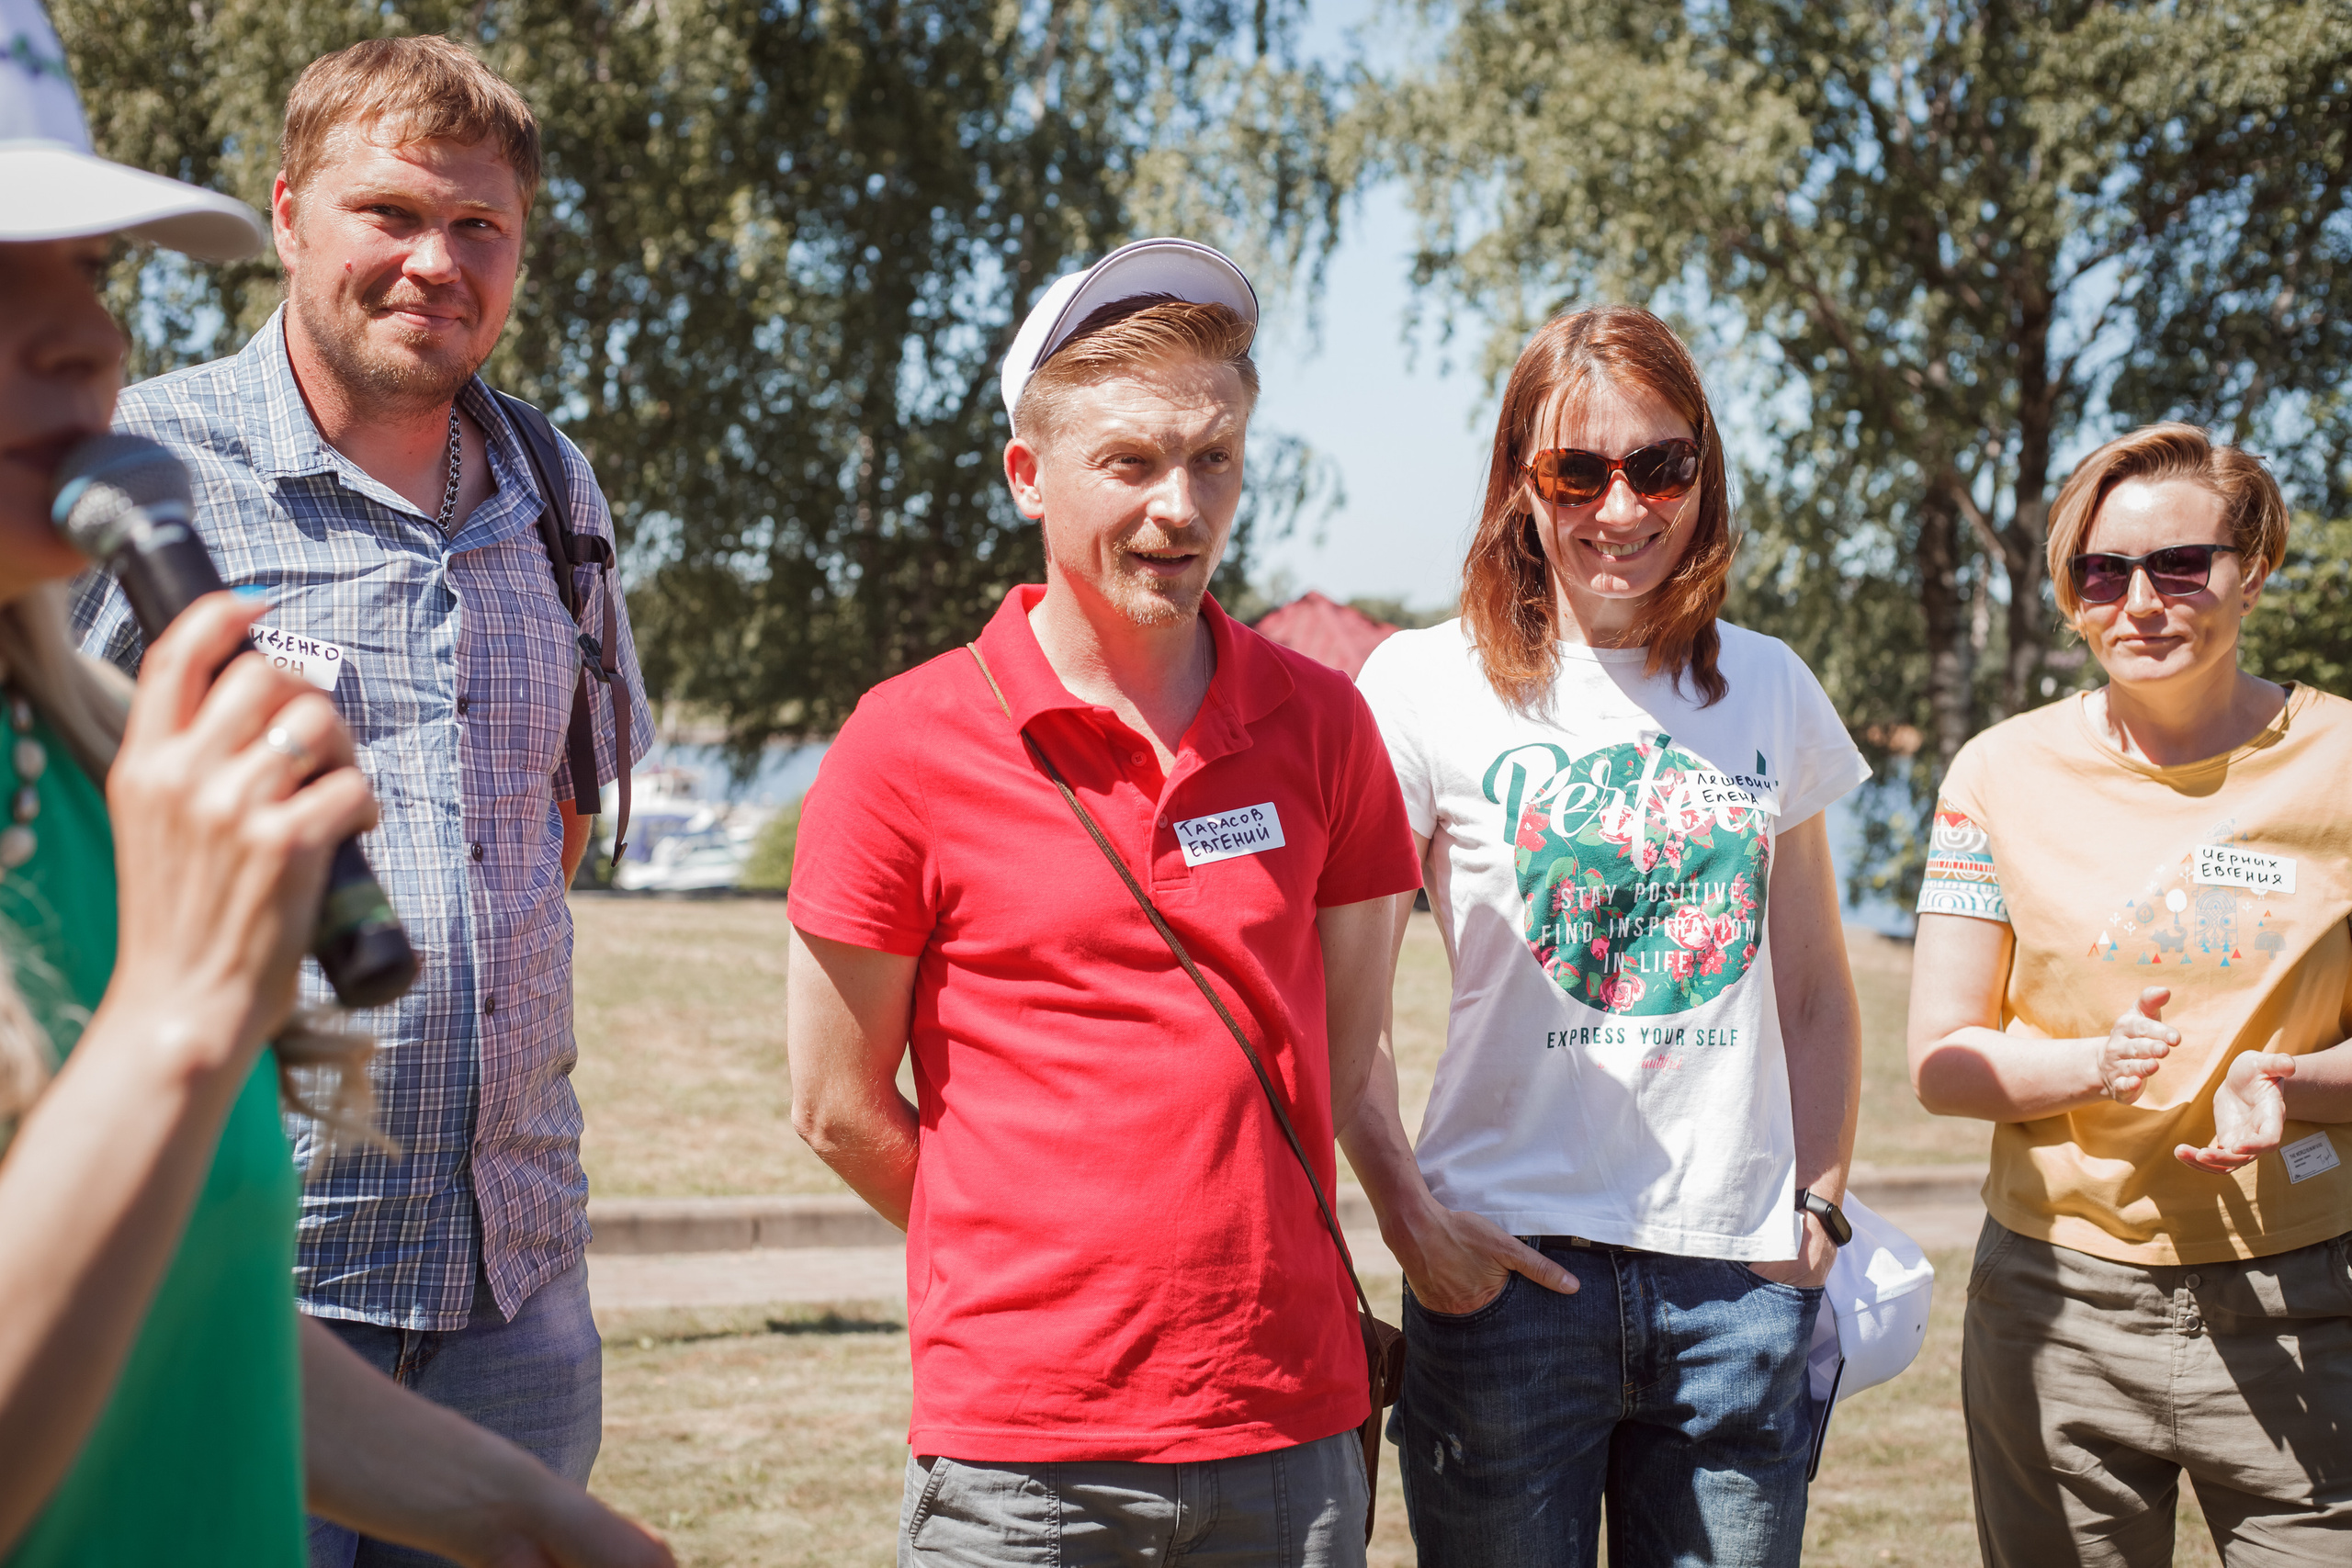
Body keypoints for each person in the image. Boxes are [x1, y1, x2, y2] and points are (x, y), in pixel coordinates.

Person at [0, 6, 670, 1564]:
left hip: (505, 1284)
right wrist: (183, 1004)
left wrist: (523, 1517)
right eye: (392, 211)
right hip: (316, 1261)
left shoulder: (552, 489)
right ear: (290, 218)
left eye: (89, 274)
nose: (84, 340)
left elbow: (549, 825)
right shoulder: (156, 459)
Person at [784, 237, 1421, 1567]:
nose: (1178, 507)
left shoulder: (1327, 726)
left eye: (1213, 459)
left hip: (1289, 1431)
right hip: (1022, 1457)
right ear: (1029, 472)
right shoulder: (902, 744)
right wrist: (1051, 1250)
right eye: (1130, 462)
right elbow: (838, 1106)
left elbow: (1340, 1053)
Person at [1343, 305, 1868, 1566]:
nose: (1622, 506)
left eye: (1661, 465)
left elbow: (1811, 986)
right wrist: (1408, 1215)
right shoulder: (1421, 685)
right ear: (1521, 482)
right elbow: (1341, 1007)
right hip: (1505, 1278)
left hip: (1738, 1289)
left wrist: (1823, 1202)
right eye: (1579, 470)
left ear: (1705, 472)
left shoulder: (1770, 683)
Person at [1907, 423, 2352, 1566]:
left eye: (2178, 566)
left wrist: (2287, 1083)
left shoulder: (2342, 762)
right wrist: (2088, 1066)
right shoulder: (1995, 775)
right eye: (2102, 573)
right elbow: (1943, 1059)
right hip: (2059, 1315)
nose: (2140, 603)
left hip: (2310, 1309)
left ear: (2251, 570)